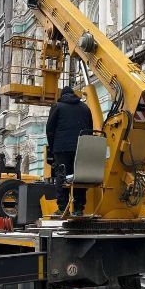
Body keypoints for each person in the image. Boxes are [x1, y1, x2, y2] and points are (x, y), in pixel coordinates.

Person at [46, 86, 93, 217]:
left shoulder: (57, 106)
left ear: (62, 95)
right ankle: (78, 208)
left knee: (62, 176)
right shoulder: (85, 108)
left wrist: (53, 147)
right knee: (80, 177)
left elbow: (50, 129)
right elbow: (90, 127)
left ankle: (62, 208)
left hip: (62, 148)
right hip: (81, 148)